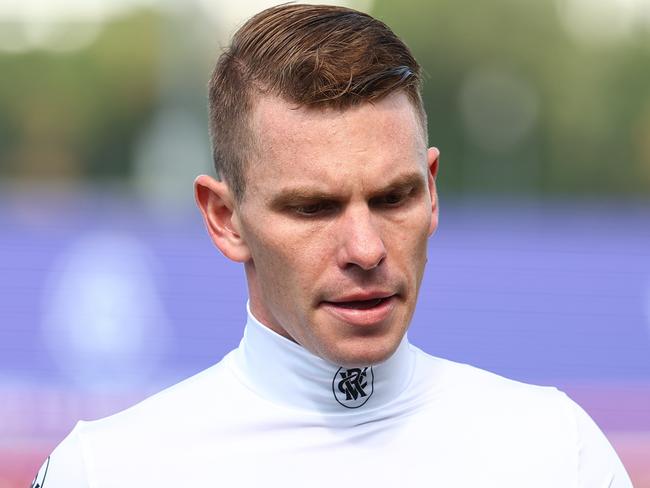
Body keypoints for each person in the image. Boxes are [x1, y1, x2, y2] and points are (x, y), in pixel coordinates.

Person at [32, 4, 633, 487]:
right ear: (224, 219)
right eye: (313, 208)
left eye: (394, 198)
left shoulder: (558, 453)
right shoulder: (107, 470)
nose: (366, 249)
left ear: (432, 191)